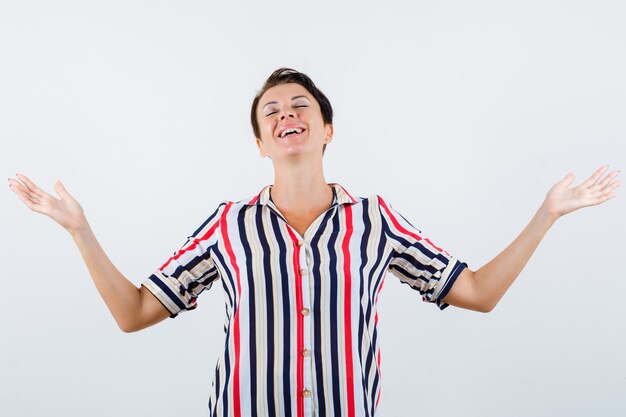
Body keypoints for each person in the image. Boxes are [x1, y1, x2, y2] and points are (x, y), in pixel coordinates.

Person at [8, 68, 620, 417]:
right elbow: (134, 313)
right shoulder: (228, 224)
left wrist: (547, 214)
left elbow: (479, 293)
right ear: (260, 142)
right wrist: (80, 230)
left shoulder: (375, 220)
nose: (285, 114)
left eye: (299, 105)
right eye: (270, 112)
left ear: (326, 129)